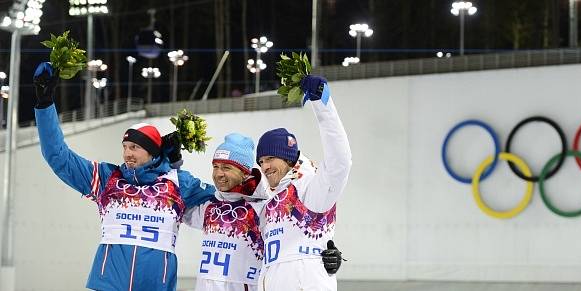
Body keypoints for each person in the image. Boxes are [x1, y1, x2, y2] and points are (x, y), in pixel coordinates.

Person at [33, 61, 215, 291]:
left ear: (151, 152)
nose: (127, 153)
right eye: (125, 146)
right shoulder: (107, 178)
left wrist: (174, 165)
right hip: (108, 285)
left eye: (134, 147)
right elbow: (57, 156)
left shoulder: (177, 183)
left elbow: (221, 197)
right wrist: (44, 104)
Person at [184, 133, 344, 291]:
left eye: (226, 167)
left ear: (245, 172)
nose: (219, 173)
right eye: (215, 167)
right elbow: (168, 208)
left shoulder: (265, 206)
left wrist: (326, 253)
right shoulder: (208, 207)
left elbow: (294, 233)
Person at [255, 75, 351, 291]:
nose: (265, 167)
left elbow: (340, 163)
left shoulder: (309, 188)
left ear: (289, 159)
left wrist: (322, 105)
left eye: (270, 159)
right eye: (261, 161)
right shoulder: (271, 201)